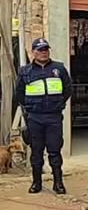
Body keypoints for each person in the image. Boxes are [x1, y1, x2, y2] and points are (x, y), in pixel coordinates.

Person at [15, 38, 72, 195]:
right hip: (35, 117)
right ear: (33, 52)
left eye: (46, 49)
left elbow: (68, 89)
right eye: (40, 50)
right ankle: (36, 183)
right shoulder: (25, 71)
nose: (43, 52)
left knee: (55, 151)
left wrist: (58, 104)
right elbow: (19, 94)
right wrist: (30, 108)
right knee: (36, 151)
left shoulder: (59, 68)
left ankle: (58, 183)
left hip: (54, 116)